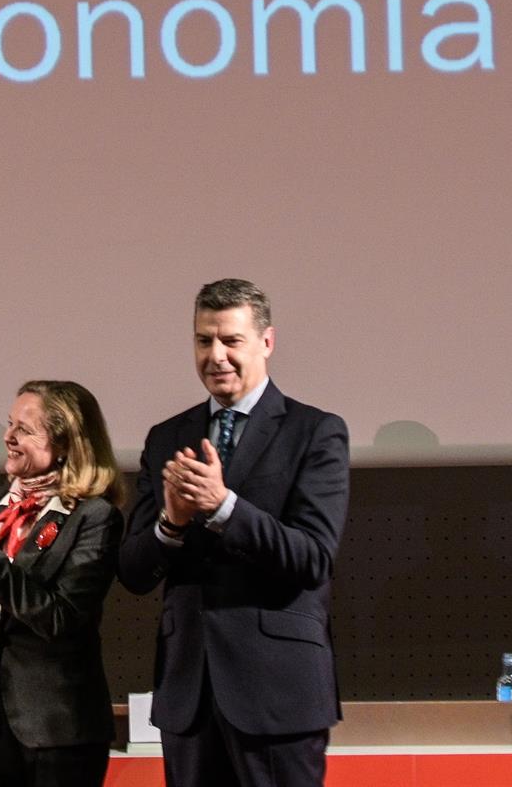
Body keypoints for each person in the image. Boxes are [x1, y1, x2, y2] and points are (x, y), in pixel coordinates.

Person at [118, 279, 350, 787]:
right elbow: (134, 572)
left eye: (231, 340)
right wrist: (171, 523)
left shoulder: (314, 431)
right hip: (189, 694)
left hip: (277, 693)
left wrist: (224, 507)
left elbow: (312, 557)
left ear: (266, 342)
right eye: (204, 341)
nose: (216, 355)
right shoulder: (168, 437)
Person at [0, 380, 126, 787]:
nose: (7, 437)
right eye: (9, 424)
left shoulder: (94, 518)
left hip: (60, 727)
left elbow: (60, 618)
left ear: (66, 443)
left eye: (24, 430)